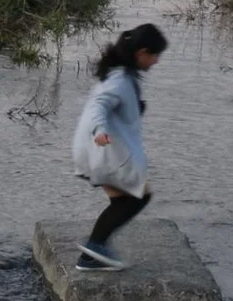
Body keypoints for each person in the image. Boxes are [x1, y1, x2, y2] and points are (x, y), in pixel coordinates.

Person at [69, 22, 167, 271]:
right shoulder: (121, 79)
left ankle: (91, 256)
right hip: (104, 148)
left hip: (96, 147)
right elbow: (99, 106)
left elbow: (115, 105)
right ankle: (93, 248)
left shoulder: (121, 73)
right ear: (141, 53)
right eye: (154, 55)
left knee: (124, 200)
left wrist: (136, 108)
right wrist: (101, 131)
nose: (156, 61)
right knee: (139, 196)